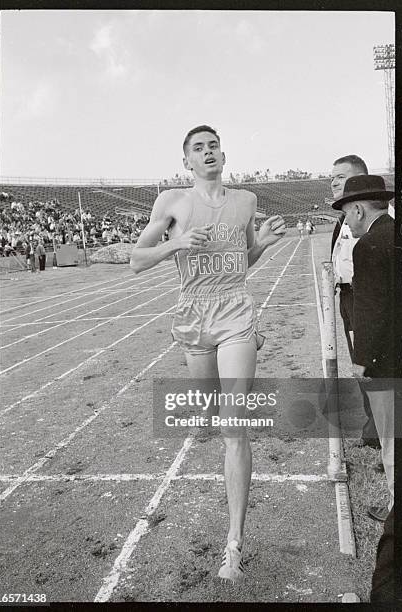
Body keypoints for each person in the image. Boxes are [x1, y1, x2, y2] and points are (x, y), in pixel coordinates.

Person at [130, 125, 286, 582]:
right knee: (208, 410)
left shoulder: (247, 202)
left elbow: (244, 259)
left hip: (235, 307)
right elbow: (138, 260)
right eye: (198, 148)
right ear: (187, 163)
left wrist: (263, 245)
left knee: (234, 429)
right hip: (193, 314)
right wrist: (177, 242)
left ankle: (234, 544)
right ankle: (236, 354)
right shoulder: (171, 202)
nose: (208, 152)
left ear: (224, 153)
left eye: (213, 145)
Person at [332, 175, 394, 522]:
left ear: (357, 209)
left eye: (345, 214)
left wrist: (362, 361)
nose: (346, 222)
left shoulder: (368, 246)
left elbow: (371, 311)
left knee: (392, 439)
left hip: (387, 363)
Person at [330, 155, 380, 453]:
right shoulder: (342, 218)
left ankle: (379, 433)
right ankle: (372, 428)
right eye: (331, 178)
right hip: (348, 296)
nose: (334, 183)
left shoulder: (372, 220)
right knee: (360, 359)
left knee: (372, 360)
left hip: (366, 295)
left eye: (340, 177)